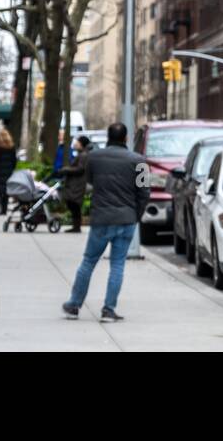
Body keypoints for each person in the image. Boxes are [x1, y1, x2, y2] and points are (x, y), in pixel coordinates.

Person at [62, 123, 148, 322]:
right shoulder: (140, 161)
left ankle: (74, 305)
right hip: (126, 219)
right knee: (117, 265)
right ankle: (108, 309)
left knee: (88, 262)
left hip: (101, 218)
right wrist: (136, 215)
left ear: (108, 137)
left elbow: (90, 181)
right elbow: (144, 192)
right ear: (126, 138)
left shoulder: (94, 158)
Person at [58, 135, 90, 233]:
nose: (75, 144)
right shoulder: (81, 154)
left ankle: (76, 226)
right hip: (75, 183)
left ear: (82, 144)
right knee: (72, 204)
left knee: (74, 204)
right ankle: (76, 226)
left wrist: (66, 169)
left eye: (77, 142)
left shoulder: (83, 155)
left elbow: (80, 169)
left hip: (77, 184)